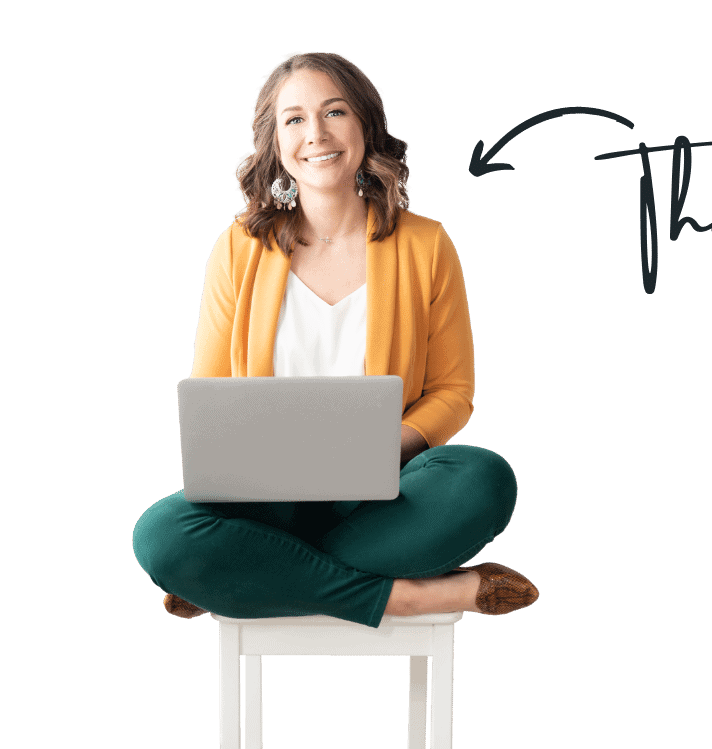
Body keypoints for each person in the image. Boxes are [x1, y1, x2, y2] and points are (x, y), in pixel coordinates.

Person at [132, 51, 537, 627]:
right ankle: (414, 596)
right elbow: (211, 392)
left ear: (364, 126)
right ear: (275, 142)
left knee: (483, 479)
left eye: (334, 112)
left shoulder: (426, 245)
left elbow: (453, 391)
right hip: (263, 502)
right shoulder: (238, 248)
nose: (315, 134)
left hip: (384, 498)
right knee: (162, 535)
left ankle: (247, 580)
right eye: (293, 119)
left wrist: (375, 451)